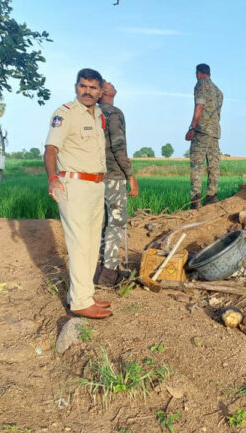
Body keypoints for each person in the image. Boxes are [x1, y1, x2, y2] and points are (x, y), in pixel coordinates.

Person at [44, 68, 112, 319]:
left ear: (100, 90)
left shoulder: (98, 116)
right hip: (73, 185)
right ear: (76, 87)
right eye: (83, 86)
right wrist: (53, 179)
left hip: (95, 185)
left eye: (93, 87)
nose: (87, 91)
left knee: (92, 243)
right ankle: (80, 302)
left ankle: (83, 295)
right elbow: (51, 149)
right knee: (79, 243)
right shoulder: (65, 113)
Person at [95, 80, 139, 287]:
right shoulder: (113, 113)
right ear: (104, 91)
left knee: (100, 223)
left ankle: (97, 269)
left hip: (94, 177)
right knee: (116, 222)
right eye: (109, 83)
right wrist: (130, 175)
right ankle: (109, 274)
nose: (113, 85)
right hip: (113, 175)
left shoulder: (91, 112)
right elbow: (118, 146)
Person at [185, 63, 223, 209]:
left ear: (198, 73)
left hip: (201, 131)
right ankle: (212, 196)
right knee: (213, 164)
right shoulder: (218, 91)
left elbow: (199, 106)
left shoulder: (200, 84)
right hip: (215, 132)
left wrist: (192, 127)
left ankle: (195, 201)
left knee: (197, 164)